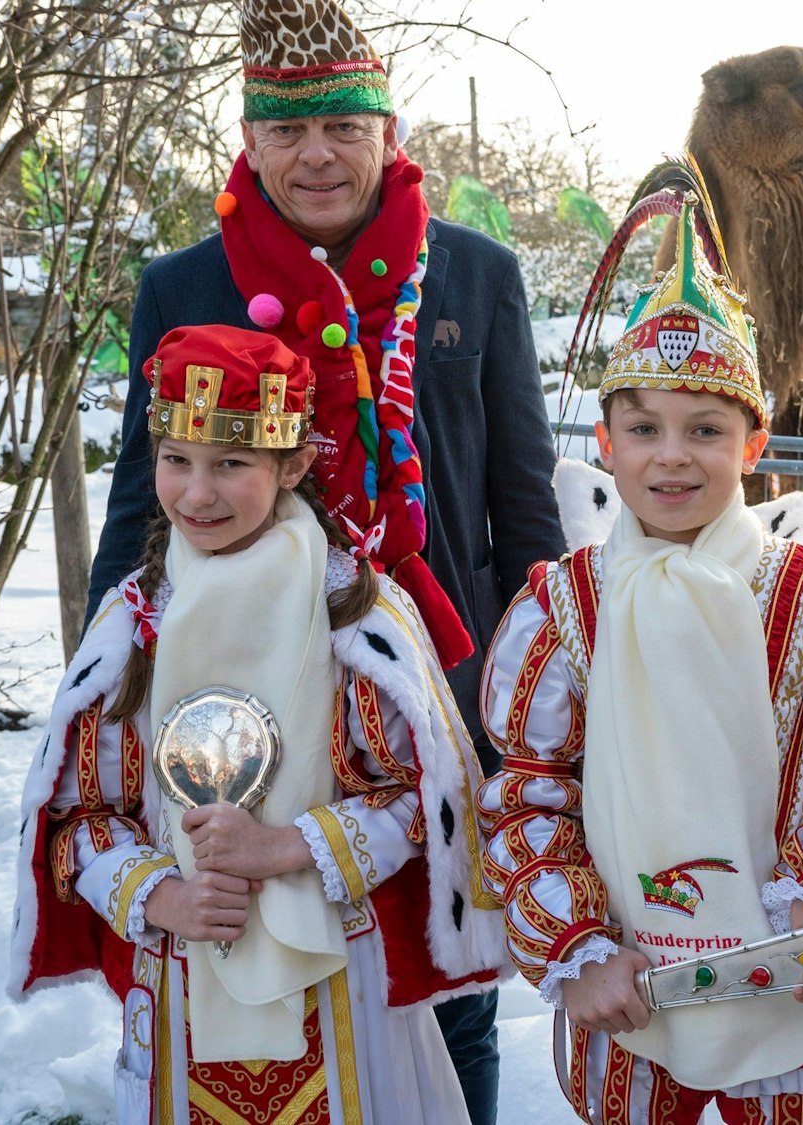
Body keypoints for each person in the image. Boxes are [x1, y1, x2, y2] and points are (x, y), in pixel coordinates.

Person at [83, 1, 564, 1114]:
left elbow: (521, 509)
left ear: (386, 129)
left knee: (446, 990)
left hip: (432, 697)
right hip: (238, 698)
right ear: (247, 143)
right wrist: (110, 687)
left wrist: (524, 698)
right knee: (256, 981)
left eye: (342, 125)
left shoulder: (476, 278)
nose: (316, 155)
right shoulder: (182, 288)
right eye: (286, 129)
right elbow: (134, 507)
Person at [477, 181, 803, 1124]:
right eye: (643, 429)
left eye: (706, 430)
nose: (671, 457)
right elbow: (530, 788)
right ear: (605, 442)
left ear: (755, 442)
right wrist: (579, 945)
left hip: (794, 978)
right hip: (632, 993)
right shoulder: (563, 610)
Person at [10, 325, 510, 1125]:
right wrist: (160, 895)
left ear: (295, 465)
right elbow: (81, 819)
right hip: (180, 983)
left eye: (231, 464)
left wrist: (286, 846)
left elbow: (431, 804)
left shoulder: (359, 619)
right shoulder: (133, 623)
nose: (197, 493)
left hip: (344, 992)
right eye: (177, 460)